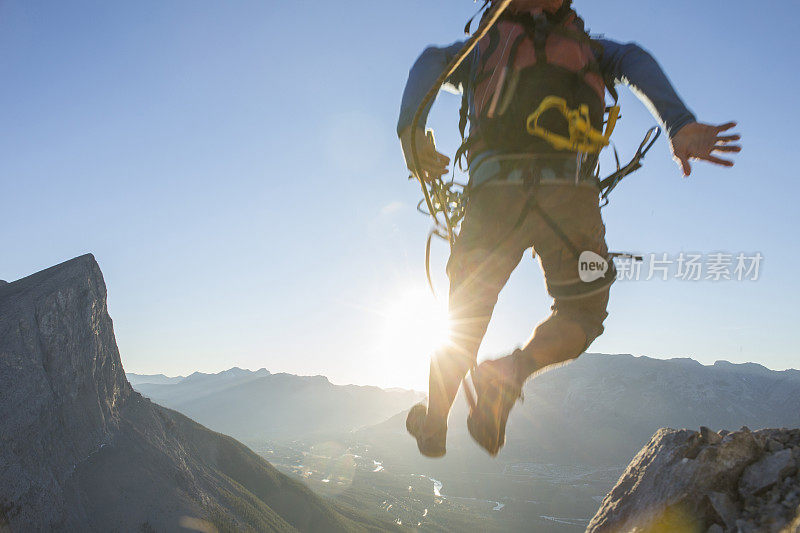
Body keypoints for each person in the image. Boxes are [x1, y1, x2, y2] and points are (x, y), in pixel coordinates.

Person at [397, 0, 741, 457]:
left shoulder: (483, 49)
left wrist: (411, 130)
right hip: (571, 197)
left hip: (493, 194)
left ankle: (435, 419)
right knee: (582, 315)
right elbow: (636, 58)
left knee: (465, 316)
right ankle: (511, 374)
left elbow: (430, 60)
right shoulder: (589, 49)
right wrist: (677, 122)